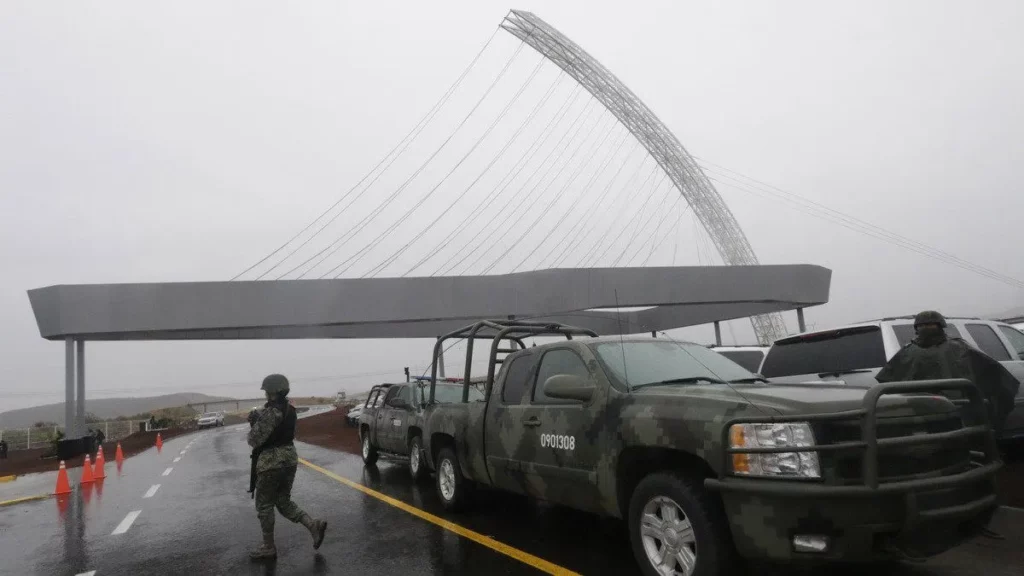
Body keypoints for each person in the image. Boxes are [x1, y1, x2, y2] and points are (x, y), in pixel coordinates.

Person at [875, 311, 1019, 435]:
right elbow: (996, 376)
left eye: (930, 325)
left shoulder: (907, 352)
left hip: (928, 414)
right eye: (923, 326)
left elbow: (887, 381)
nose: (926, 328)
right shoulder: (959, 347)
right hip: (954, 413)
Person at [246, 373, 327, 560]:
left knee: (264, 505)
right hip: (289, 459)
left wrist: (255, 422)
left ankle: (268, 547)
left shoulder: (271, 412)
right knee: (283, 501)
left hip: (270, 463)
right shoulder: (290, 410)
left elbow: (253, 440)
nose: (266, 394)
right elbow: (281, 431)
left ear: (272, 392)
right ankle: (313, 525)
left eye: (267, 391)